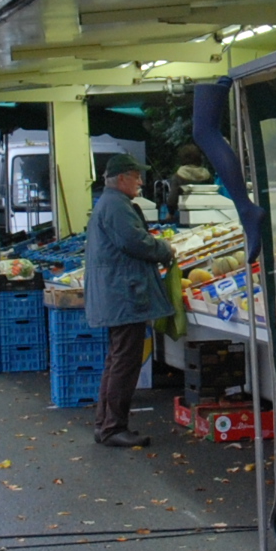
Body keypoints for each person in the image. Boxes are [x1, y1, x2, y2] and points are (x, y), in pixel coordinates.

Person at [83, 159, 174, 447]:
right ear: (121, 178)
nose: (141, 182)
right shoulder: (116, 205)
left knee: (117, 359)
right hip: (124, 295)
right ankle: (113, 427)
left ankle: (104, 424)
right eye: (136, 177)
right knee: (124, 361)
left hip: (118, 294)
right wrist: (164, 249)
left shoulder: (110, 203)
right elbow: (135, 241)